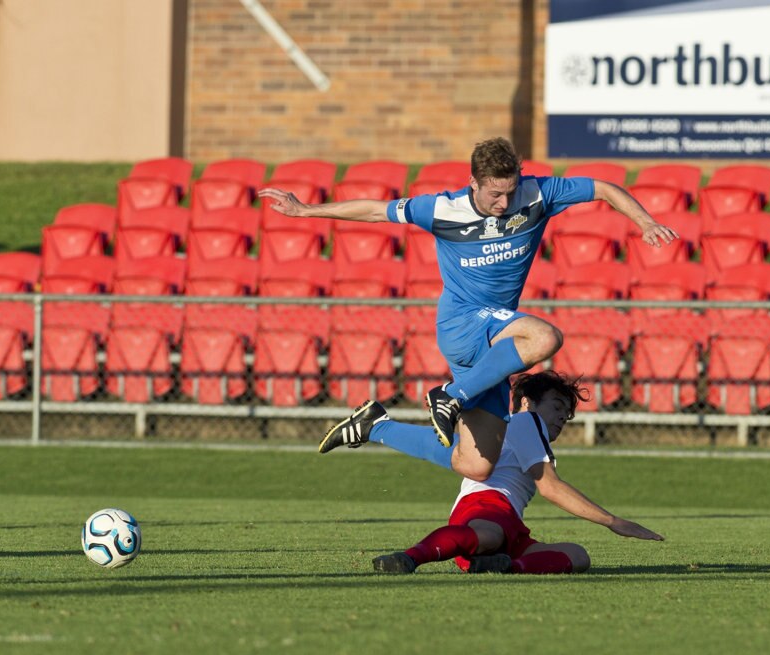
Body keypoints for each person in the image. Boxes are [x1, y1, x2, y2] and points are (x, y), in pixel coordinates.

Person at [261, 138, 677, 481]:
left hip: (494, 347)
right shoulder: (442, 209)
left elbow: (602, 187)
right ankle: (449, 395)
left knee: (475, 465)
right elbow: (374, 210)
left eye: (511, 190)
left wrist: (644, 221)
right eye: (495, 192)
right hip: (462, 322)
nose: (504, 201)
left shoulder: (538, 194)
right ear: (474, 183)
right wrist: (306, 211)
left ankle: (375, 425)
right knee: (545, 337)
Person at [365, 371, 664, 575]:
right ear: (526, 403)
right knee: (489, 535)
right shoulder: (526, 421)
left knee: (577, 555)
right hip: (485, 507)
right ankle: (408, 558)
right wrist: (613, 522)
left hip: (507, 525)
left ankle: (505, 566)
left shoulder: (514, 431)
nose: (563, 417)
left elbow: (438, 447)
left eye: (567, 414)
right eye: (558, 406)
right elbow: (550, 487)